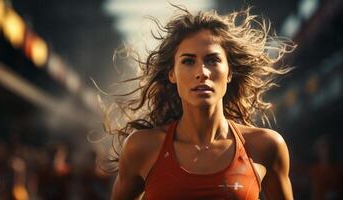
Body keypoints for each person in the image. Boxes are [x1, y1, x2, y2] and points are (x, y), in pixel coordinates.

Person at [107, 6, 295, 200]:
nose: (202, 72)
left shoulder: (266, 146)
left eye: (213, 60)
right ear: (172, 74)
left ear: (230, 72)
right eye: (188, 62)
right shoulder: (142, 148)